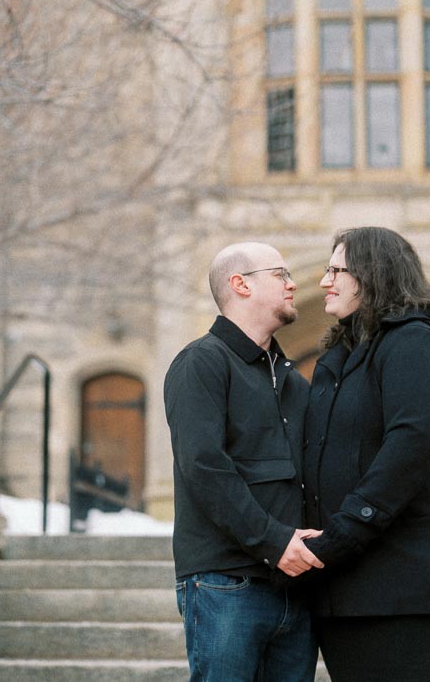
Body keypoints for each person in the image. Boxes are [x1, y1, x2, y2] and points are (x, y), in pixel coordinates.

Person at [301, 227, 430, 682]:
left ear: (372, 274)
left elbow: (410, 448)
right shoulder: (339, 358)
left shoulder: (414, 340)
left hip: (407, 576)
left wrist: (344, 531)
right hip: (345, 582)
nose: (325, 281)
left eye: (336, 271)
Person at [164, 241, 323, 682]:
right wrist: (274, 542)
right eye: (280, 275)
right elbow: (204, 466)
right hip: (225, 583)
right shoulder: (201, 362)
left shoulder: (291, 380)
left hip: (294, 585)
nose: (293, 284)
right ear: (240, 285)